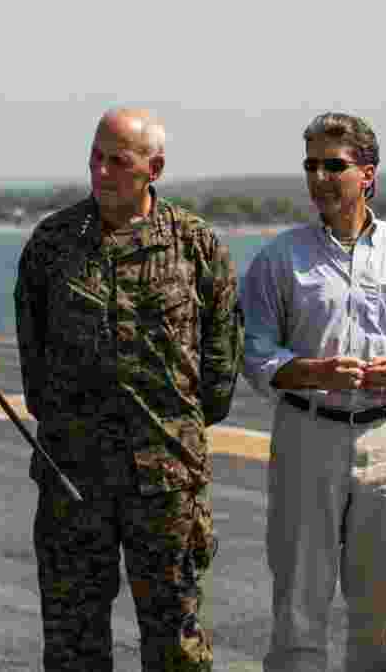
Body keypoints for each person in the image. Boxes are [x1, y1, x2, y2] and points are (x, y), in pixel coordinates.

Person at [14, 107, 243, 672]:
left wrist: (168, 435)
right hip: (74, 480)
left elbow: (219, 372)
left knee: (175, 646)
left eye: (117, 161)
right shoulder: (53, 244)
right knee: (73, 645)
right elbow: (34, 363)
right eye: (95, 157)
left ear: (153, 169)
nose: (101, 171)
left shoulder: (195, 245)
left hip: (166, 485)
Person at [240, 112, 386, 672]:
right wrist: (313, 371)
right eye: (310, 165)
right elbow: (255, 353)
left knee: (383, 608)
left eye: (333, 165)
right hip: (306, 437)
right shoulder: (279, 259)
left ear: (368, 174)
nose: (319, 177)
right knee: (299, 605)